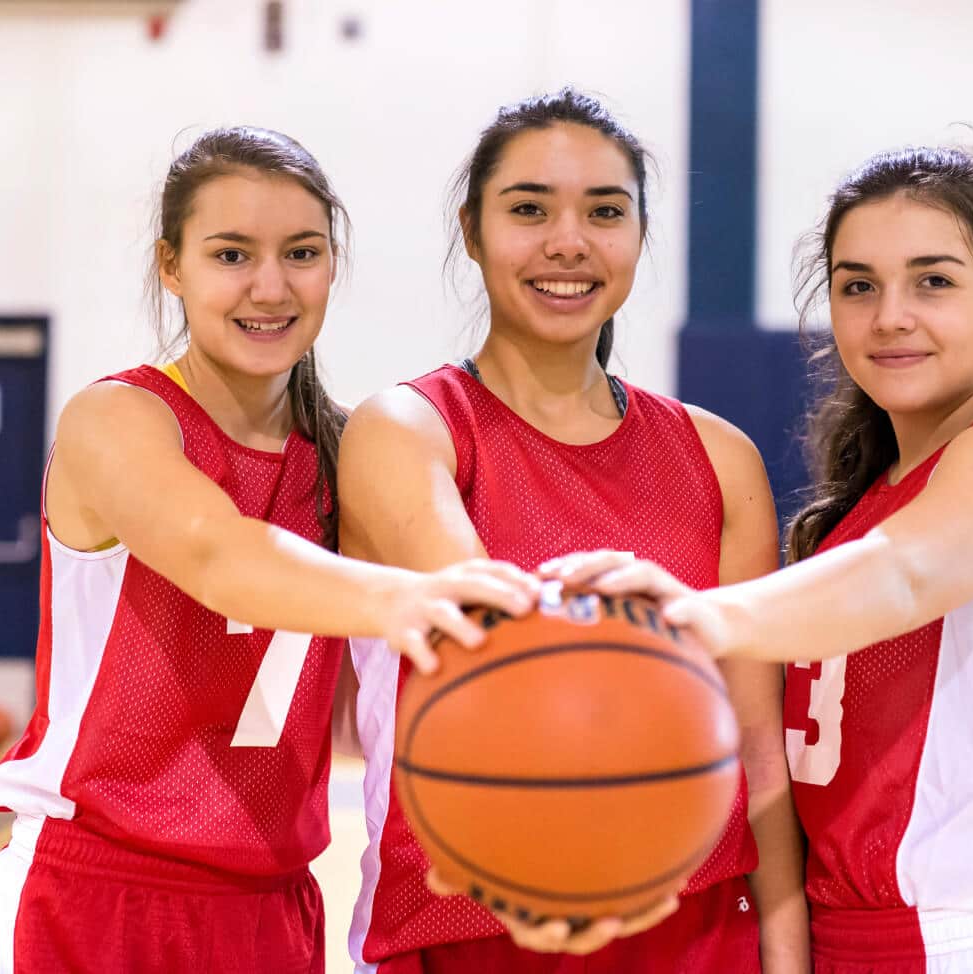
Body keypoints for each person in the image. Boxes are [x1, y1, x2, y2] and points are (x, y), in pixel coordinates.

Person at [0, 126, 538, 974]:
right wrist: (412, 595)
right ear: (173, 266)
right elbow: (221, 558)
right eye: (231, 254)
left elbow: (357, 704)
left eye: (301, 253)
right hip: (92, 895)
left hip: (271, 910)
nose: (270, 287)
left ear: (332, 265)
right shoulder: (120, 420)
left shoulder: (351, 454)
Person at [546, 146, 973, 973]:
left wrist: (694, 613)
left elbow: (904, 573)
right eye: (859, 286)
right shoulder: (871, 499)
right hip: (851, 939)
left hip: (972, 940)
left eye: (934, 281)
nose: (890, 315)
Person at [338, 89, 809, 973]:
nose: (568, 242)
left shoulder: (719, 457)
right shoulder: (407, 428)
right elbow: (500, 667)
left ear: (638, 236)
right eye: (528, 210)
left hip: (696, 921)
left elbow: (758, 748)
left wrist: (785, 953)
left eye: (605, 212)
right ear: (471, 231)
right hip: (471, 924)